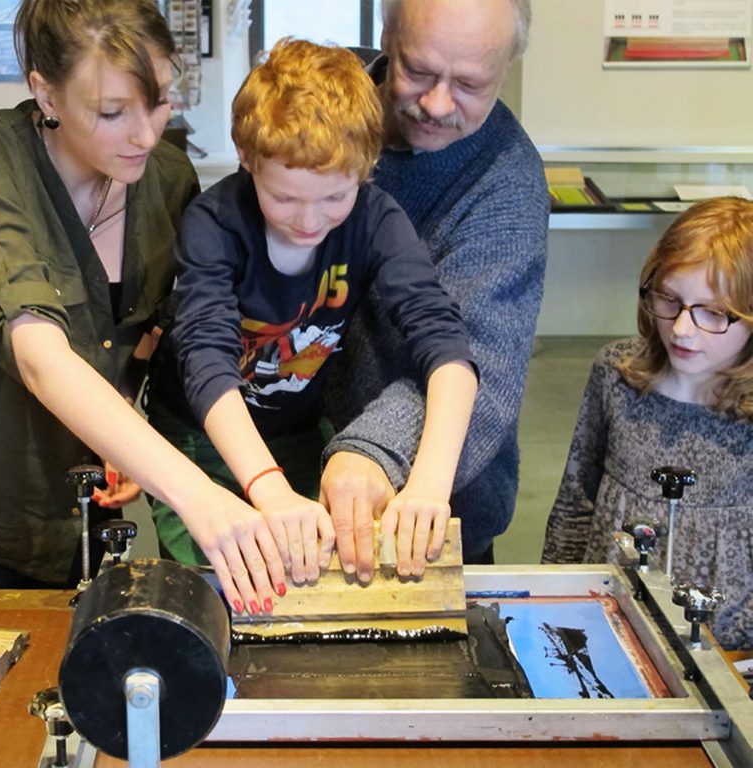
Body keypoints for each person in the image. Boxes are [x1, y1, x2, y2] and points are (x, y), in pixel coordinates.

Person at [0, 0, 286, 616]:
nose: (146, 134)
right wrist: (198, 498)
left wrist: (119, 428)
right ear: (46, 93)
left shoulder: (167, 179)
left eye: (161, 100)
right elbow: (40, 355)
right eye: (113, 112)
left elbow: (141, 334)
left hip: (74, 525)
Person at [146, 38, 478, 586]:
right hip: (198, 433)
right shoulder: (215, 223)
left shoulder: (374, 218)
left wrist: (427, 485)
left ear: (365, 170)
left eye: (332, 199)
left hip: (297, 426)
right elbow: (206, 359)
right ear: (247, 158)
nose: (308, 220)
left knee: (313, 570)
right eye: (284, 198)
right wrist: (267, 488)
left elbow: (446, 346)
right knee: (220, 579)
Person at [319, 0, 550, 581]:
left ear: (510, 64)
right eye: (418, 71)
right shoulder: (317, 110)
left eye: (469, 84)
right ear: (387, 33)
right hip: (288, 485)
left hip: (430, 511)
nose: (437, 104)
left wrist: (375, 450)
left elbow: (478, 357)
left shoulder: (507, 181)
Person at [543, 197, 753, 650]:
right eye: (670, 300)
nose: (681, 329)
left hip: (729, 650)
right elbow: (576, 504)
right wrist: (553, 602)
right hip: (608, 629)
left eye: (713, 312)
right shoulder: (616, 374)